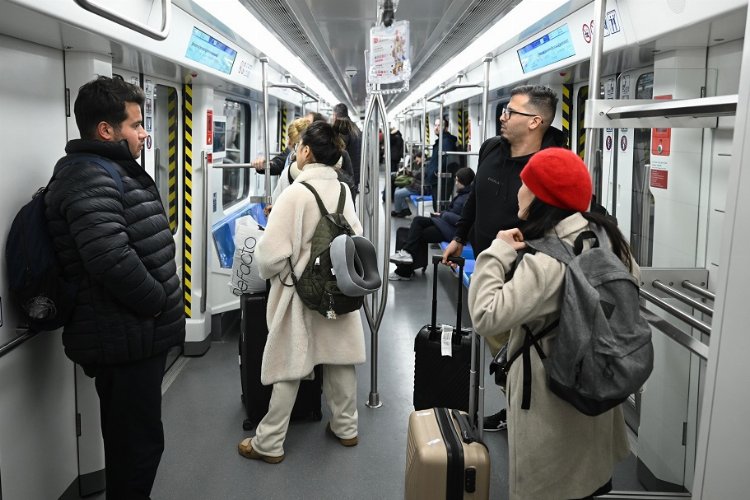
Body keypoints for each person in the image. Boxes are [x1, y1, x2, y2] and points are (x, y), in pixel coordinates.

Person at [44, 76, 185, 498]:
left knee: (135, 444)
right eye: (136, 124)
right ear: (106, 130)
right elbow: (110, 257)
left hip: (131, 333)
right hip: (123, 336)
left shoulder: (107, 170)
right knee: (136, 449)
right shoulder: (89, 175)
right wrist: (158, 302)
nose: (144, 132)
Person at [467, 148, 631, 499]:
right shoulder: (610, 240)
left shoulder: (547, 262)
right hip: (596, 386)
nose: (518, 190)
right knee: (588, 479)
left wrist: (497, 252)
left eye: (525, 183)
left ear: (542, 196)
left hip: (550, 396)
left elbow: (485, 314)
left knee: (552, 484)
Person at [237, 121, 365, 464]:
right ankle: (346, 427)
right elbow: (355, 234)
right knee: (339, 359)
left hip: (300, 293)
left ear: (306, 150)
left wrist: (279, 271)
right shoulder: (341, 190)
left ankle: (269, 441)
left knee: (290, 364)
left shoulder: (295, 193)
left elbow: (269, 254)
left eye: (298, 147)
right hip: (336, 288)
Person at [441, 84, 566, 432]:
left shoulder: (551, 163)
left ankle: (530, 418)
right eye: (504, 110)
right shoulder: (491, 149)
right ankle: (515, 410)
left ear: (535, 121)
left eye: (512, 112)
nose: (503, 116)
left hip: (528, 277)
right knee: (503, 354)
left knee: (527, 357)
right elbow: (476, 200)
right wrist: (458, 236)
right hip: (488, 266)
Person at [389, 167, 475, 280]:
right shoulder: (463, 195)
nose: (455, 182)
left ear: (463, 182)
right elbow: (452, 212)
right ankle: (407, 255)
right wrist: (442, 214)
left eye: (457, 180)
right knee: (417, 220)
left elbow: (462, 220)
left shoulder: (467, 198)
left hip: (451, 232)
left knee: (417, 234)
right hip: (445, 224)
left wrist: (443, 215)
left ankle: (404, 271)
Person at [425, 117, 458, 211]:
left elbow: (447, 160)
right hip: (437, 179)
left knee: (440, 207)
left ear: (446, 128)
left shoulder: (446, 141)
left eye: (439, 125)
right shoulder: (441, 140)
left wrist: (435, 172)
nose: (436, 128)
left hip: (442, 180)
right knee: (437, 206)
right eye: (435, 125)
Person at [332, 103, 362, 194]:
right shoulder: (354, 127)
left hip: (346, 173)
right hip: (356, 171)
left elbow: (339, 150)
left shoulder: (342, 127)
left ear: (335, 115)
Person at [390, 151, 424, 217]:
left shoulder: (426, 165)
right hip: (415, 185)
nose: (416, 161)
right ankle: (405, 209)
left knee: (398, 194)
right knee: (397, 188)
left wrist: (410, 172)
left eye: (417, 159)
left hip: (418, 188)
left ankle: (398, 211)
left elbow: (419, 174)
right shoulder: (420, 165)